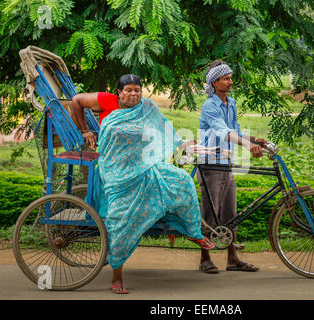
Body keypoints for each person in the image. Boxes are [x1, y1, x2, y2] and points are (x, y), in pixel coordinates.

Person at [70, 74, 215, 294]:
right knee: (119, 219)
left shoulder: (147, 107)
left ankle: (192, 231)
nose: (133, 94)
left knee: (183, 180)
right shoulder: (106, 101)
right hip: (116, 172)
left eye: (137, 90)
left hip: (145, 166)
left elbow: (165, 129)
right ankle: (116, 277)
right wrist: (85, 130)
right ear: (119, 92)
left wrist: (185, 144)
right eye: (128, 90)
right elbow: (76, 101)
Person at [197, 60, 268, 274]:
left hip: (225, 163)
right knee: (210, 214)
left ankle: (232, 258)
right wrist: (248, 145)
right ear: (215, 82)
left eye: (230, 78)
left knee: (230, 212)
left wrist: (255, 139)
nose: (230, 81)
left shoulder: (231, 102)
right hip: (210, 164)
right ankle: (204, 258)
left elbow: (234, 130)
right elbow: (223, 132)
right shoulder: (210, 106)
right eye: (226, 78)